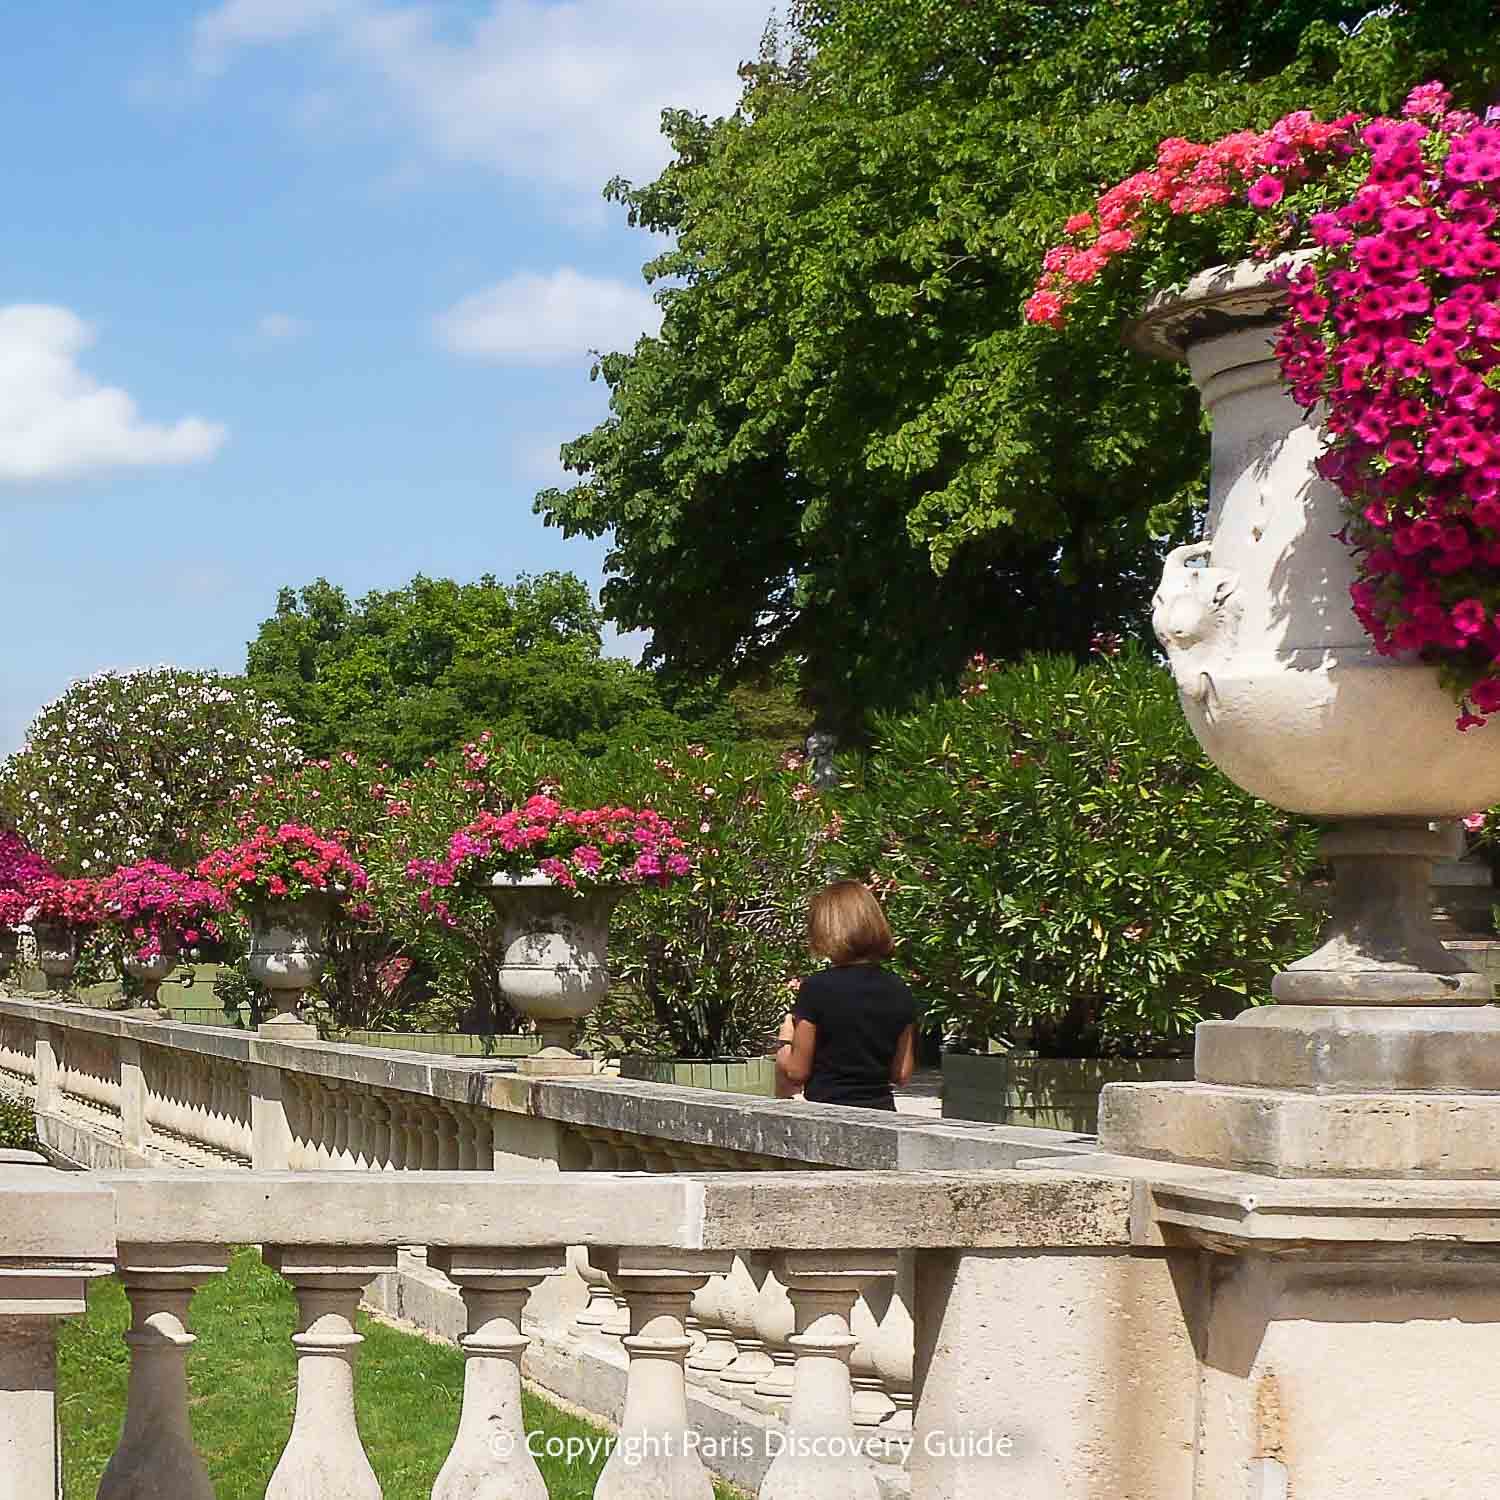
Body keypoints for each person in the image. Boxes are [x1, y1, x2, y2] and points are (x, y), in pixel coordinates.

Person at [775, 880, 917, 1110]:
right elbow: (901, 1073)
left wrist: (785, 1040)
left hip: (829, 1113)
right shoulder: (898, 988)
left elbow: (797, 1072)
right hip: (882, 1114)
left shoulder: (817, 988)